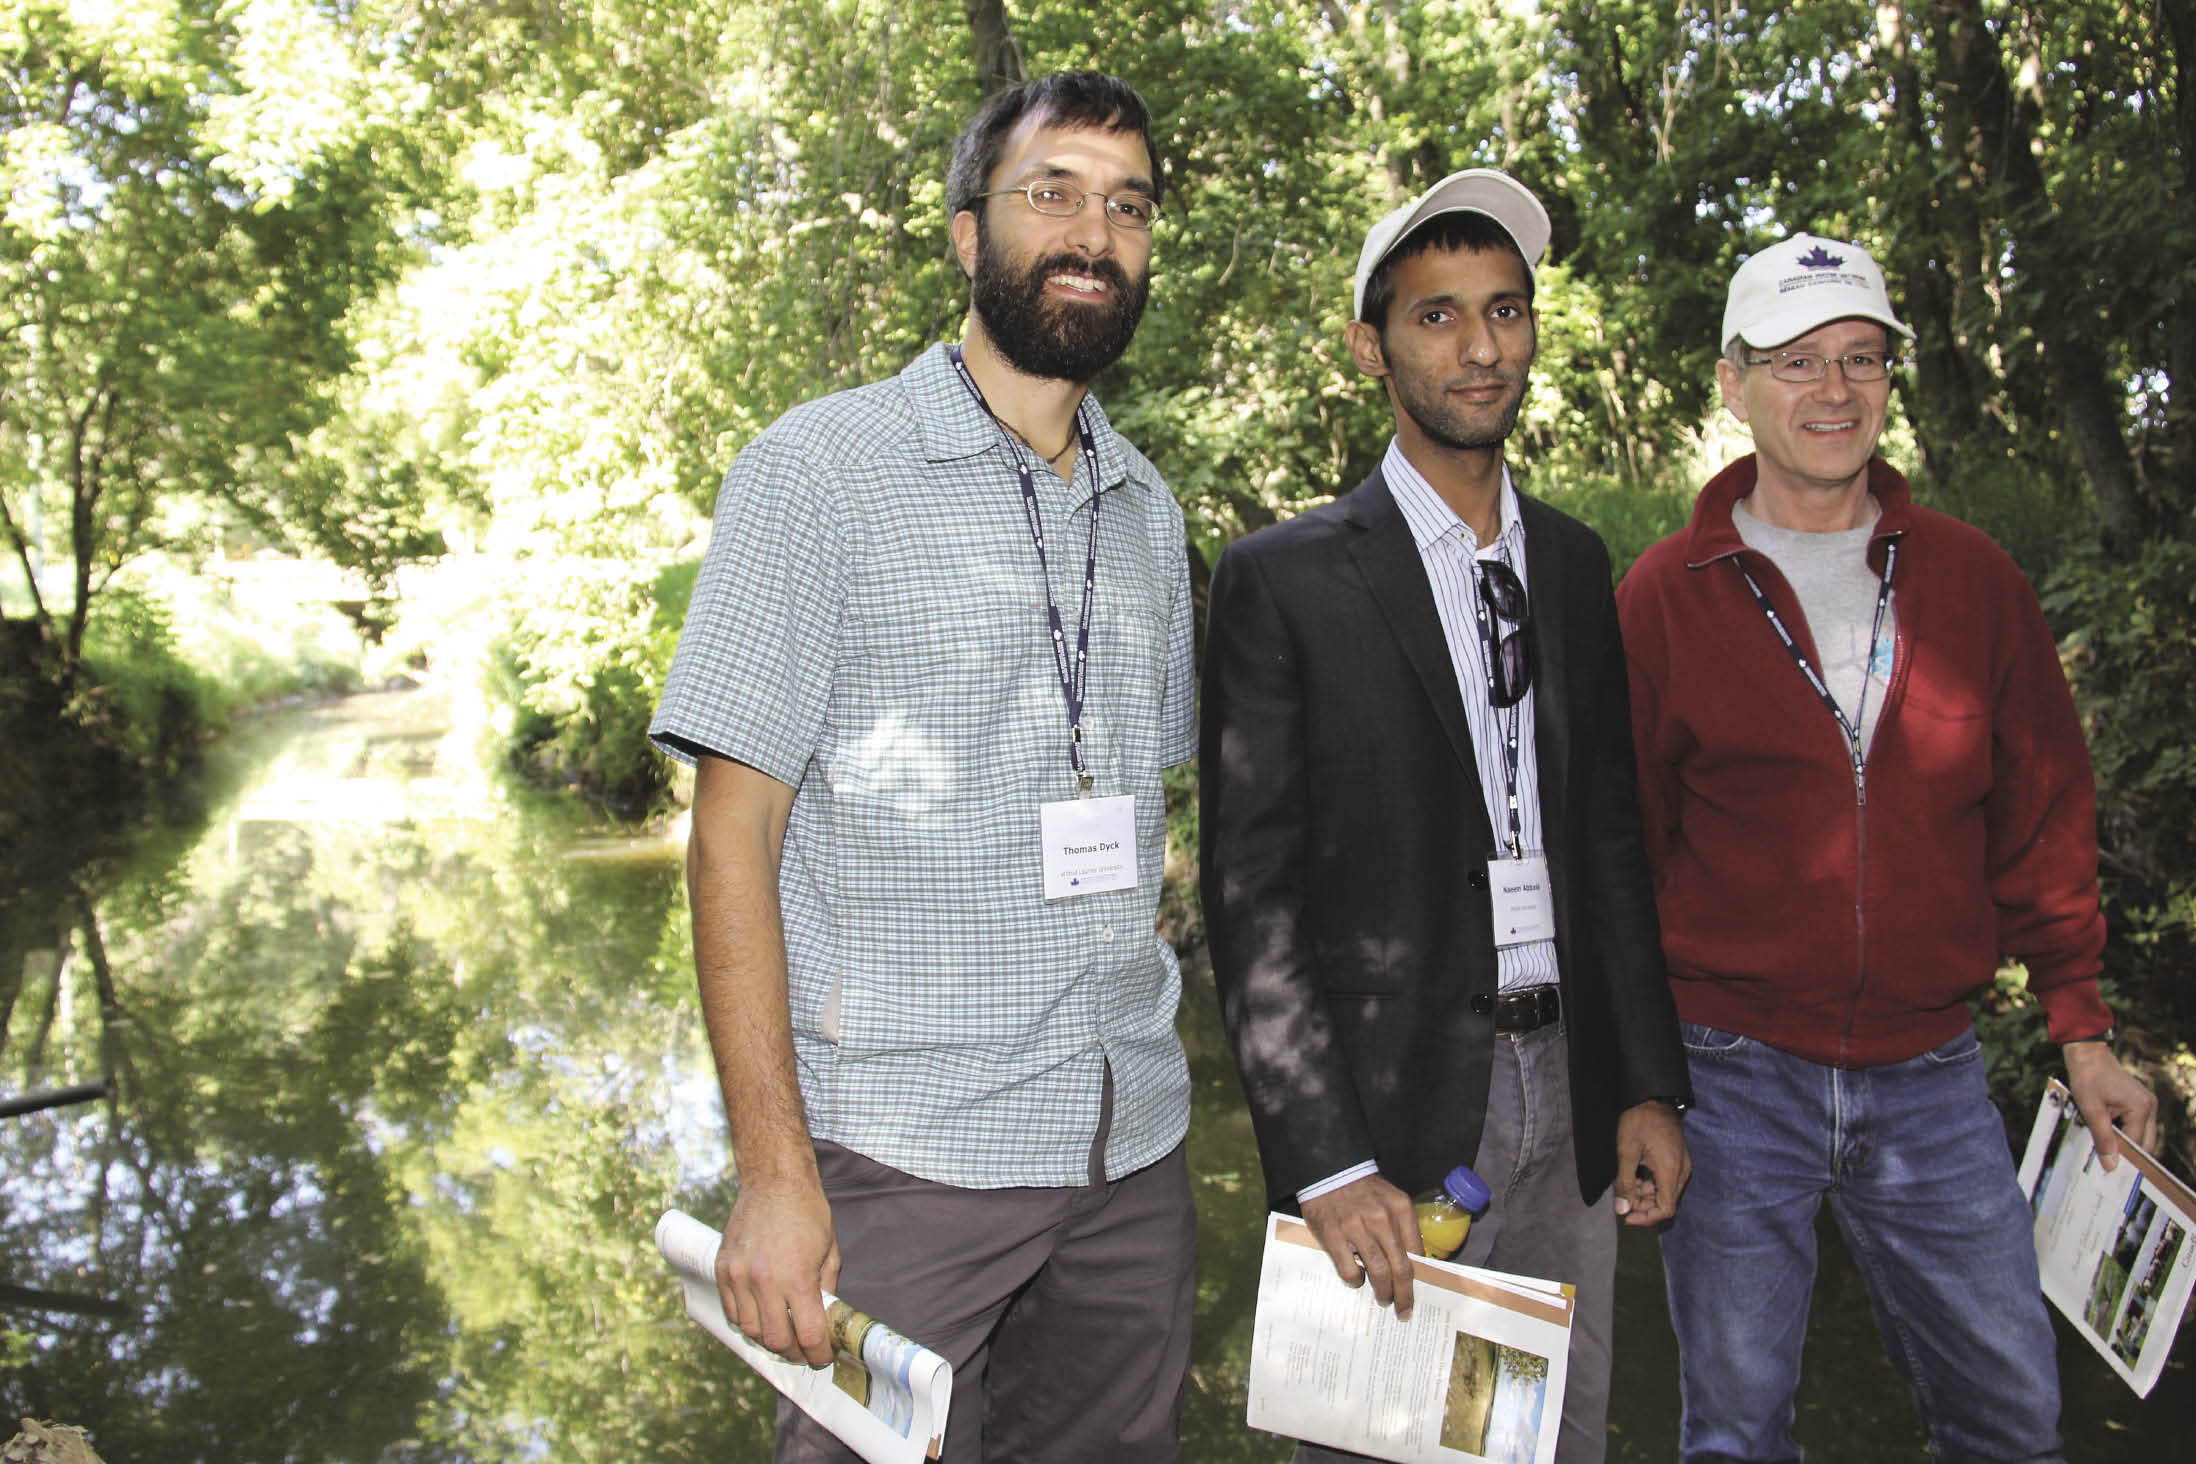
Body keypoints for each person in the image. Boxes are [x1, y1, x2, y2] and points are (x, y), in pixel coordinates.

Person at [649, 72, 1196, 1464]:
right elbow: (731, 843)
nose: (1094, 229)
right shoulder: (815, 474)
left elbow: (1146, 817)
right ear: (967, 234)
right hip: (905, 1156)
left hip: (1130, 1148)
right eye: (1052, 191)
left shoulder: (1149, 513)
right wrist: (773, 1174)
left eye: (1126, 204)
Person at [1617, 232, 2162, 1463]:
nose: (1835, 390)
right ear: (1732, 384)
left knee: (2013, 1421)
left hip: (1934, 1076)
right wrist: (1641, 1081)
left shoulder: (1974, 581)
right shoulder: (1662, 595)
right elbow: (1626, 854)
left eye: (1862, 358)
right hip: (1732, 1072)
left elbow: (2043, 813)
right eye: (1798, 362)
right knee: (1736, 1436)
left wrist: (2080, 1029)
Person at [1200, 168, 1693, 1464]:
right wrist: (1323, 1159)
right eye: (1437, 317)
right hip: (1393, 1114)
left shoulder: (1579, 566)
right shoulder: (1282, 581)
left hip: (1570, 1091)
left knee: (1556, 1439)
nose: (1482, 347)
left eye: (1506, 310)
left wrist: (1644, 1081)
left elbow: (1605, 842)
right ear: (1372, 347)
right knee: (1377, 1445)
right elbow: (1252, 896)